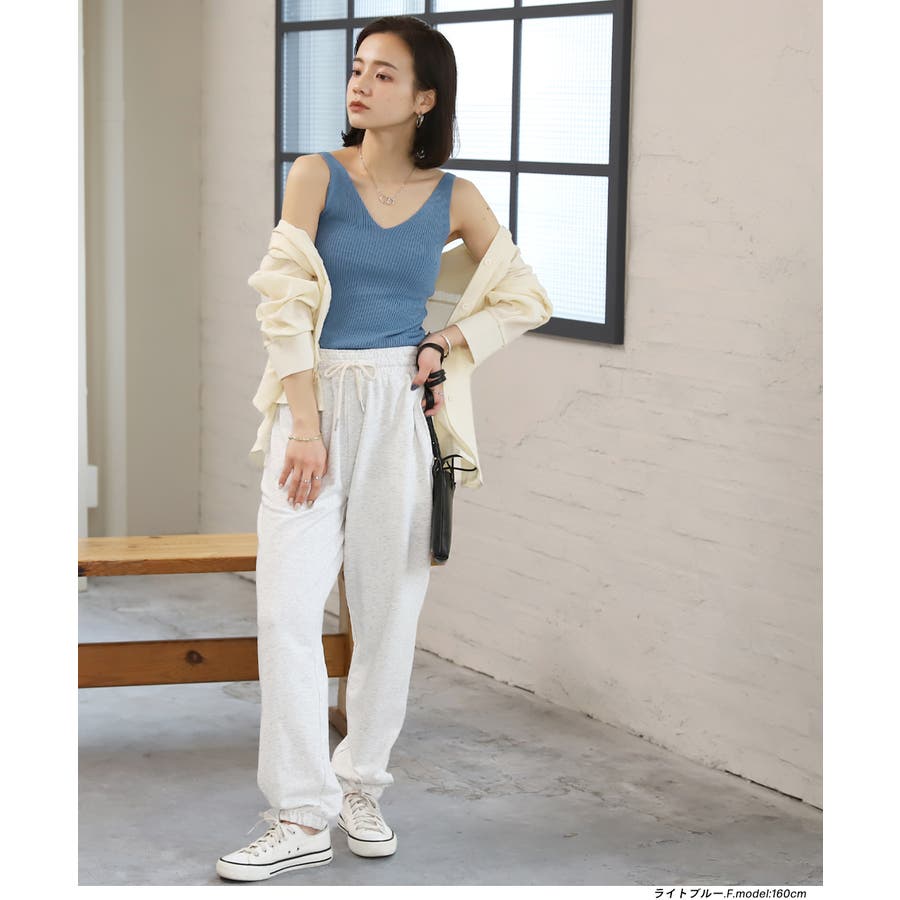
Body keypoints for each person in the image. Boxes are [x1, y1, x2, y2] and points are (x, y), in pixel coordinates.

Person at [216, 15, 551, 882]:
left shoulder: (454, 198)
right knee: (285, 614)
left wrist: (446, 342)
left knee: (386, 615)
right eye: (358, 68)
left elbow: (522, 295)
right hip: (314, 401)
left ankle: (360, 785)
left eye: (384, 74)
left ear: (425, 97)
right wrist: (306, 425)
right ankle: (300, 813)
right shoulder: (316, 175)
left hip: (399, 412)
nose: (360, 84)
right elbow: (285, 301)